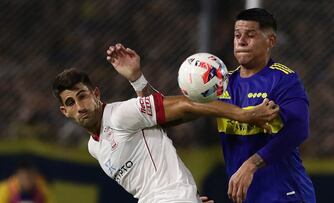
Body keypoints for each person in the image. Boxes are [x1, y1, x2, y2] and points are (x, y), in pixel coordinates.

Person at [52, 47, 279, 203]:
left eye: (82, 96)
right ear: (65, 112)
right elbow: (155, 126)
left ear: (96, 94)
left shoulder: (120, 115)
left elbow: (183, 105)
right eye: (71, 102)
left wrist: (243, 115)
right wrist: (137, 80)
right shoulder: (94, 147)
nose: (80, 106)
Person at [216, 8, 316, 203]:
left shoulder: (283, 79)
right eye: (237, 35)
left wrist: (251, 164)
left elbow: (299, 129)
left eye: (250, 35)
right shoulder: (222, 83)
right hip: (246, 195)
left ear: (271, 41)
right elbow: (180, 111)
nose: (241, 41)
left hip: (285, 194)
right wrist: (139, 83)